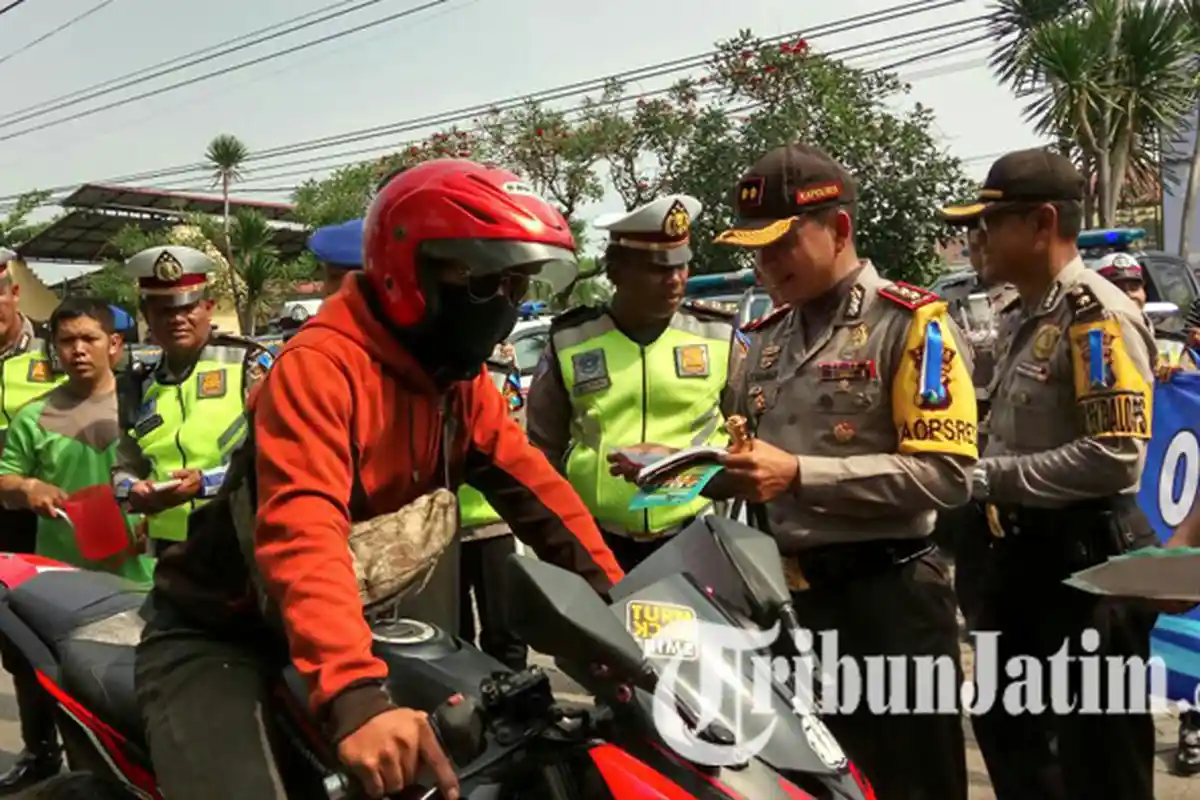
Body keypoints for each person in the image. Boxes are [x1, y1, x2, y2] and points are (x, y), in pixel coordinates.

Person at [134, 159, 623, 800]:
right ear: (408, 272)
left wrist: (621, 609)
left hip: (348, 623)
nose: (505, 305)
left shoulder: (456, 380)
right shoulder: (321, 367)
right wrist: (355, 696)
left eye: (518, 284)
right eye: (485, 282)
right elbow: (302, 531)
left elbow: (537, 493)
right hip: (221, 631)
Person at [707, 144, 975, 799]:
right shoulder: (765, 338)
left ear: (840, 229)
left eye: (782, 244)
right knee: (819, 784)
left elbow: (946, 476)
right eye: (756, 250)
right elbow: (748, 453)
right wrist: (691, 467)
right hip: (794, 605)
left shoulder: (909, 325)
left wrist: (800, 474)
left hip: (891, 602)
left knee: (914, 785)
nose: (767, 264)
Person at [948, 148, 1160, 799]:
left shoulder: (1096, 316)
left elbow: (1114, 455)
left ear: (1042, 223)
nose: (978, 238)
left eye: (991, 222)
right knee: (1011, 738)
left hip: (1089, 565)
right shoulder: (1025, 315)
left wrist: (985, 477)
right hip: (1023, 561)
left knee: (1101, 763)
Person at [526, 194, 739, 571]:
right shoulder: (571, 338)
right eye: (658, 268)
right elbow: (542, 448)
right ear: (616, 272)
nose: (675, 279)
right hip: (597, 541)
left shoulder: (717, 334)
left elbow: (748, 439)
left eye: (681, 265)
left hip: (696, 537)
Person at [111, 246, 274, 557]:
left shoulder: (248, 363)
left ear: (208, 308)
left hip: (240, 541)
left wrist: (205, 483)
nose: (177, 319)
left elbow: (275, 454)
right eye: (164, 311)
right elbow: (122, 465)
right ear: (146, 315)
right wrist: (131, 490)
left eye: (188, 307)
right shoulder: (137, 383)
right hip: (170, 550)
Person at [0, 248, 66, 792]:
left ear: (14, 293)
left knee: (39, 636)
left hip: (40, 516)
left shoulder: (55, 349)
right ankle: (40, 749)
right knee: (11, 644)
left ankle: (59, 749)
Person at [457, 341, 528, 671]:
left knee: (506, 633)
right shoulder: (414, 364)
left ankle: (515, 697)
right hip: (434, 529)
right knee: (451, 639)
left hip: (492, 522)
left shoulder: (499, 367)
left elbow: (516, 434)